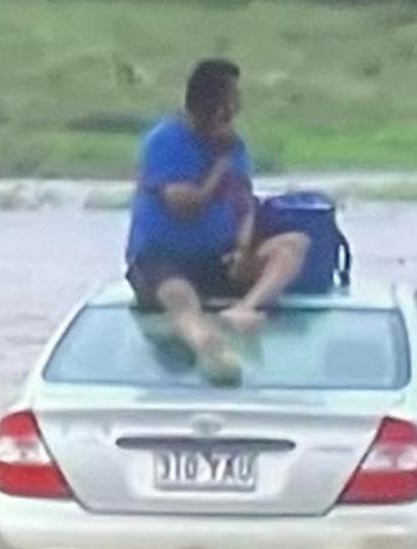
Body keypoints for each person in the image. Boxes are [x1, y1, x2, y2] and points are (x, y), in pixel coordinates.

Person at [125, 59, 309, 384]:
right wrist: (219, 168)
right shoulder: (167, 141)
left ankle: (245, 309)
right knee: (180, 297)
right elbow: (184, 204)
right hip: (162, 259)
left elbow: (244, 205)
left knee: (293, 245)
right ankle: (207, 343)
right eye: (229, 102)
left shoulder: (235, 146)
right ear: (209, 105)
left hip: (217, 257)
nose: (234, 111)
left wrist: (241, 247)